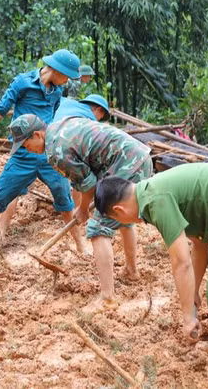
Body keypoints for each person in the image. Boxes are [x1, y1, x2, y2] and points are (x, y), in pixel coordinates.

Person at [94, 163, 208, 386]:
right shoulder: (152, 192)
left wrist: (188, 317)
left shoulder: (156, 200)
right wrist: (193, 294)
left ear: (119, 212)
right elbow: (200, 243)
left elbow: (181, 262)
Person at [10, 113, 151, 303]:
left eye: (26, 145)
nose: (28, 151)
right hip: (139, 158)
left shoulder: (56, 152)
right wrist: (84, 206)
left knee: (98, 228)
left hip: (126, 165)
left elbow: (89, 185)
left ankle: (107, 297)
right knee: (121, 215)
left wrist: (84, 209)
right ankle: (132, 271)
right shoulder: (61, 126)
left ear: (37, 135)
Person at [0, 49, 83, 252]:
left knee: (64, 199)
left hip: (49, 154)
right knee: (0, 197)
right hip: (23, 153)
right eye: (67, 77)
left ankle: (81, 246)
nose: (68, 82)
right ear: (57, 70)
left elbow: (52, 117)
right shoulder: (22, 83)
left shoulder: (58, 90)